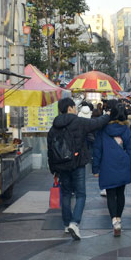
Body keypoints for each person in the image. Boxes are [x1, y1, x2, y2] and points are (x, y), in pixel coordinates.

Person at [47, 97, 110, 240]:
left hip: (61, 166)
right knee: (81, 194)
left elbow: (50, 150)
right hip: (78, 163)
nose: (75, 109)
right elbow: (97, 123)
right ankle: (75, 223)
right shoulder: (78, 122)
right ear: (69, 108)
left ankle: (66, 223)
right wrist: (108, 115)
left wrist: (53, 169)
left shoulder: (54, 127)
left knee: (66, 194)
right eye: (74, 107)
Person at [92, 101, 131, 236]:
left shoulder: (103, 130)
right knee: (120, 193)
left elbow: (97, 150)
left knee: (111, 194)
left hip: (107, 164)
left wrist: (95, 168)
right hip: (123, 165)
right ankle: (119, 218)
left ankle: (114, 220)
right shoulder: (127, 130)